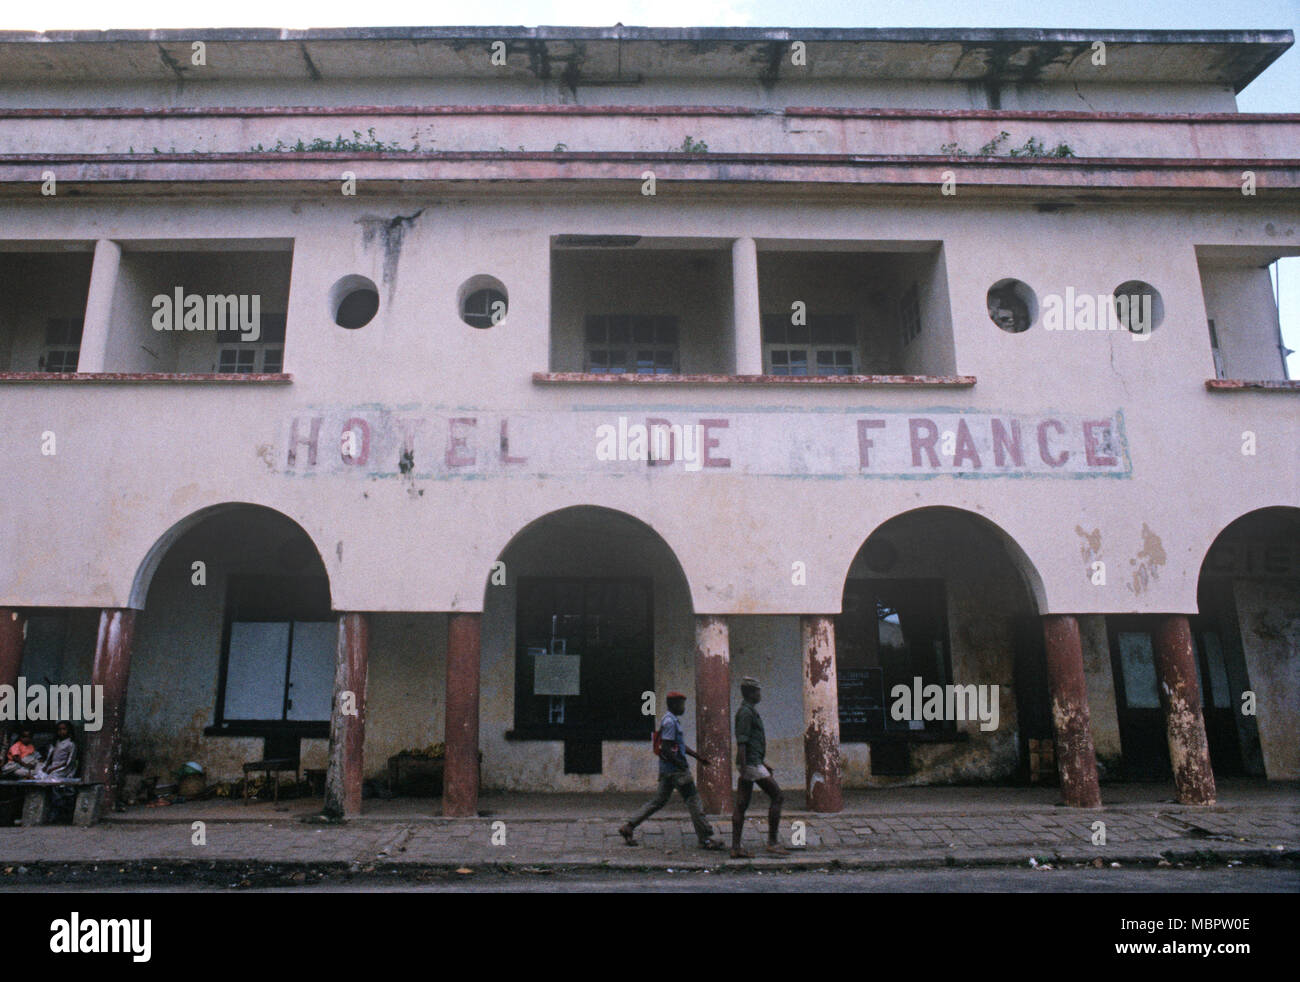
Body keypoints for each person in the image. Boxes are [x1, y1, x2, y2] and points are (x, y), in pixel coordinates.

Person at [619, 691, 726, 850]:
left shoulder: (669, 720)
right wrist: (681, 765)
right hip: (677, 772)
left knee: (658, 801)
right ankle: (706, 838)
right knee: (694, 802)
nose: (683, 707)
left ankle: (629, 826)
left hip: (667, 770)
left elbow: (678, 745)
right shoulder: (670, 722)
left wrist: (698, 757)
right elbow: (667, 749)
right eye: (682, 704)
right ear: (674, 705)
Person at [731, 677, 788, 857]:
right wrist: (746, 768)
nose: (759, 694)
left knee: (741, 804)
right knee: (777, 796)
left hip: (753, 763)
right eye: (757, 691)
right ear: (750, 693)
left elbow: (750, 744)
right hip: (751, 764)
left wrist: (761, 764)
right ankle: (772, 842)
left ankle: (736, 848)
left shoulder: (749, 711)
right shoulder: (746, 713)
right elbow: (742, 743)